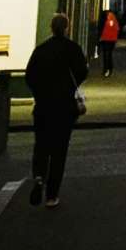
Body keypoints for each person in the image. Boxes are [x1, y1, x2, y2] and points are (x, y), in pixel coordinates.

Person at [24, 13, 88, 209]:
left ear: (51, 28)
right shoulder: (73, 49)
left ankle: (39, 176)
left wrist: (40, 93)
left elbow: (29, 76)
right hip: (65, 108)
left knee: (42, 144)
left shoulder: (41, 50)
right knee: (60, 151)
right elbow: (82, 72)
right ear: (67, 28)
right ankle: (52, 196)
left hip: (44, 107)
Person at [99, 10, 119, 76]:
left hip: (106, 40)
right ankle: (109, 68)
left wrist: (101, 37)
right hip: (112, 40)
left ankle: (106, 68)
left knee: (106, 54)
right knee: (109, 54)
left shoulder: (109, 22)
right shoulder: (115, 22)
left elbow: (106, 31)